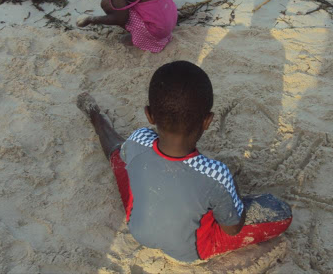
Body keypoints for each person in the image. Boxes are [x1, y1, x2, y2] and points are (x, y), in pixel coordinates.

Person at [76, 61, 292, 262]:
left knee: (119, 155)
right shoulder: (217, 174)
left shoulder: (138, 139)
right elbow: (233, 228)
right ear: (207, 121)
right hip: (190, 250)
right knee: (279, 211)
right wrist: (232, 188)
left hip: (139, 228)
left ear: (149, 115)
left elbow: (124, 153)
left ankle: (97, 118)